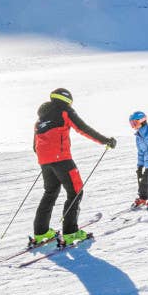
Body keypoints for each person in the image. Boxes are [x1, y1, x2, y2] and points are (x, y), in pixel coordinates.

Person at [31, 87, 116, 247]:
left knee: (50, 192)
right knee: (75, 192)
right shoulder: (65, 111)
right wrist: (106, 141)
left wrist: (47, 159)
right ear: (67, 99)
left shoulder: (39, 120)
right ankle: (70, 232)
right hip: (61, 159)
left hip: (45, 162)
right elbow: (83, 129)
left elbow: (35, 146)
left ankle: (41, 232)